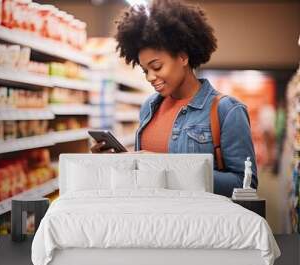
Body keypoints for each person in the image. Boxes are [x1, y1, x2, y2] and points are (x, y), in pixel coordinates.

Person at [91, 0, 258, 197]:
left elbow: (246, 185)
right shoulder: (149, 108)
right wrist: (122, 162)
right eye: (145, 71)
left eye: (157, 67)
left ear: (183, 57)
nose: (150, 77)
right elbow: (146, 175)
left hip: (199, 223)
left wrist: (165, 167)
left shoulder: (227, 110)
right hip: (151, 220)